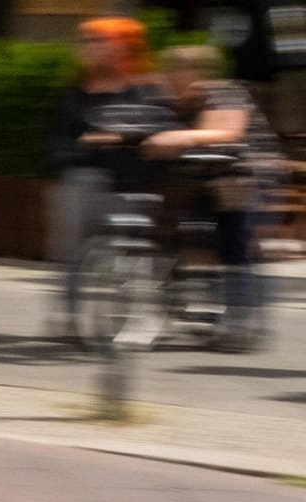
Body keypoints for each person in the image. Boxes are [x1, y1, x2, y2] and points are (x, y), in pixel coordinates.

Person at [144, 44, 281, 351]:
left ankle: (240, 324)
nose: (174, 77)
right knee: (183, 238)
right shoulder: (178, 102)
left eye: (180, 70)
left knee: (234, 247)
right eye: (172, 70)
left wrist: (183, 136)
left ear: (199, 73)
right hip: (207, 179)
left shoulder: (225, 93)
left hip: (244, 176)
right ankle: (192, 308)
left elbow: (227, 132)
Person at [45, 16, 166, 340]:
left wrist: (105, 142)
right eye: (86, 42)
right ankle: (68, 314)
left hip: (133, 181)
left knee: (134, 250)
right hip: (84, 181)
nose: (89, 48)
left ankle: (139, 314)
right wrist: (96, 148)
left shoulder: (144, 92)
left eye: (98, 41)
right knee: (73, 243)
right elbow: (62, 146)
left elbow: (153, 134)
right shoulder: (74, 96)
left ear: (122, 47)